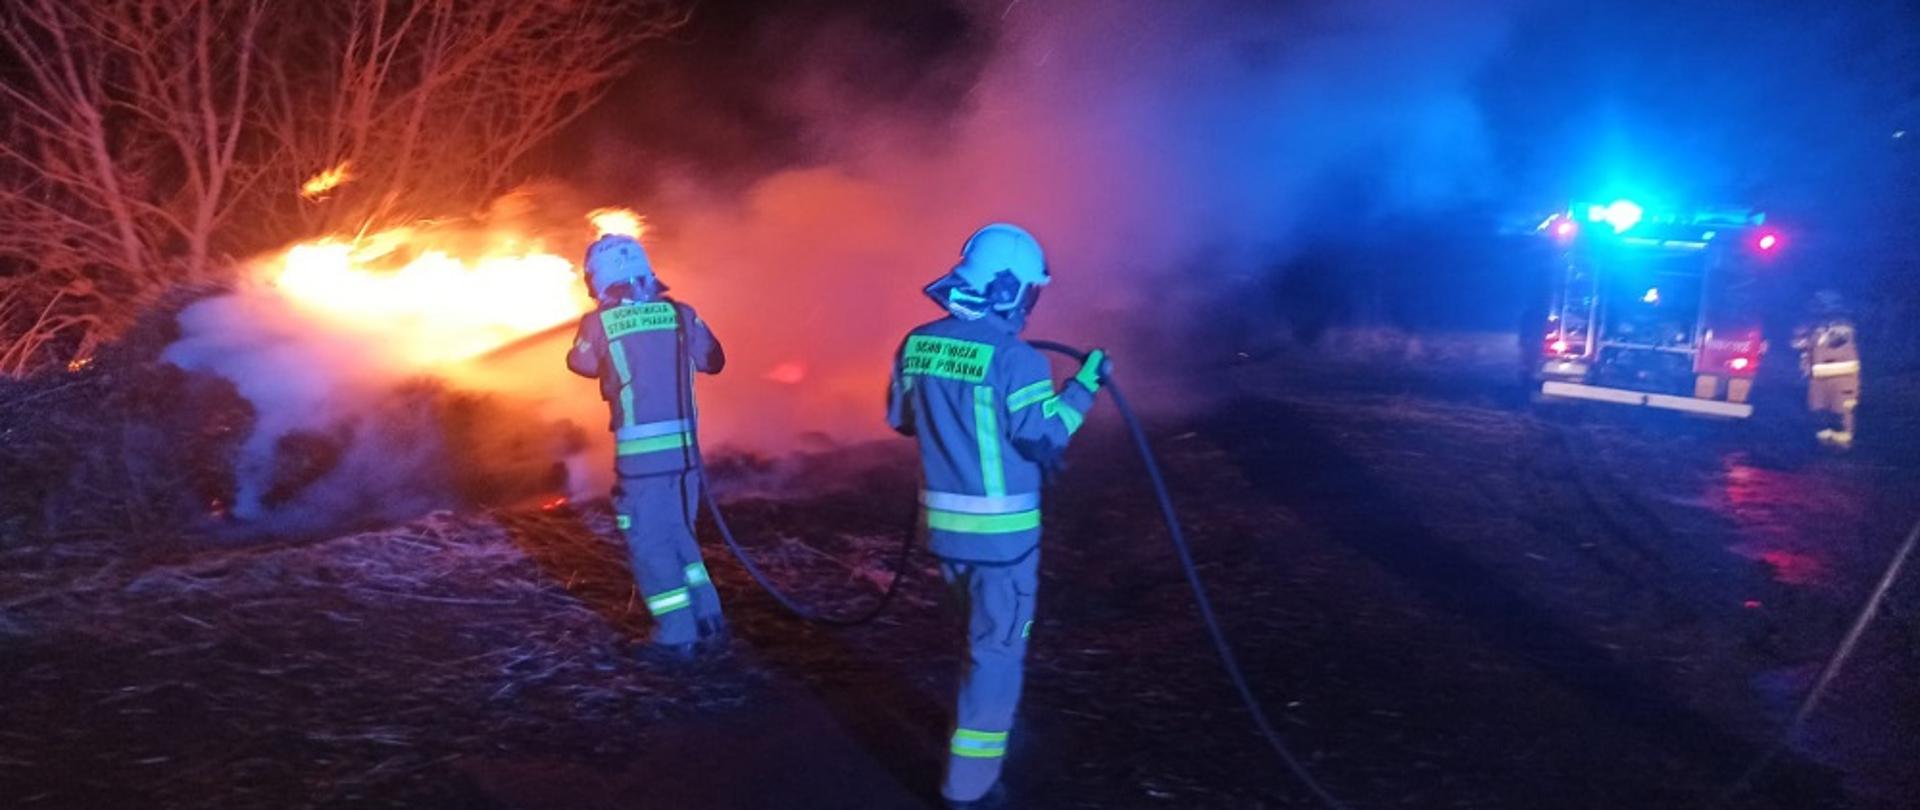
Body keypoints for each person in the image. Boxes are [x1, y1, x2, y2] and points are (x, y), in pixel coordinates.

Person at [886, 223, 1108, 806]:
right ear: (1008, 289)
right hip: (1003, 543)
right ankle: (971, 785)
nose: (1031, 305)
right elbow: (1046, 437)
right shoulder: (1018, 361)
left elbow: (903, 419)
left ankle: (994, 720)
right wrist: (1083, 388)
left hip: (946, 537)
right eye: (1030, 293)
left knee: (976, 638)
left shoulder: (917, 343)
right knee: (997, 651)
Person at [567, 233, 728, 659]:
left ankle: (677, 635)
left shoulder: (597, 324)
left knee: (648, 541)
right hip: (687, 455)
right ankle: (708, 614)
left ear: (600, 280)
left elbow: (579, 363)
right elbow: (714, 361)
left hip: (641, 463)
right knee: (680, 532)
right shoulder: (681, 314)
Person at [1792, 289, 1861, 449]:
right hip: (1818, 379)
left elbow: (1836, 339)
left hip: (1843, 380)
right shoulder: (1814, 327)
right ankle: (1823, 445)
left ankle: (1842, 445)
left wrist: (1814, 329)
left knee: (1841, 412)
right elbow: (1796, 343)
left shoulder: (1843, 325)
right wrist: (1804, 332)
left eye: (1818, 306)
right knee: (1818, 412)